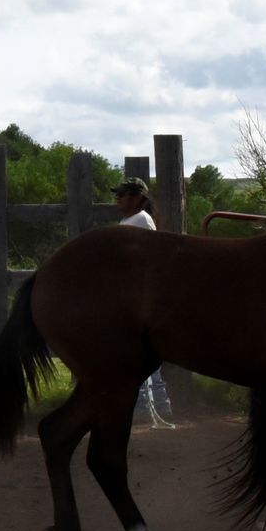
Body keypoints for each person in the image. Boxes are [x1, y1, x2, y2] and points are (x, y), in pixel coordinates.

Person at [112, 178, 176, 430]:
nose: (118, 198)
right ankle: (160, 406)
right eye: (118, 194)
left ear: (138, 197)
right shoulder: (131, 220)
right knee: (146, 355)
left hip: (139, 297)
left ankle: (146, 409)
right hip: (138, 295)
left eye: (124, 194)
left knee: (140, 353)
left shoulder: (139, 221)